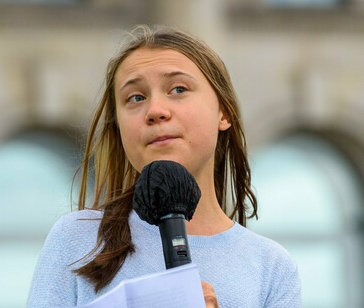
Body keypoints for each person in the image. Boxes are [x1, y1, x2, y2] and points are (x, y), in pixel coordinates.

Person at [27, 25, 301, 307]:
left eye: (178, 89)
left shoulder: (271, 267)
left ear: (224, 111)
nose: (156, 110)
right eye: (136, 97)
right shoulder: (77, 240)